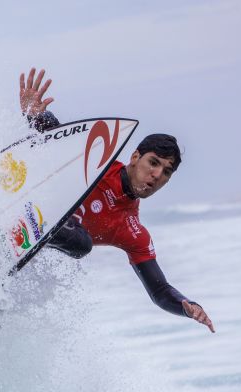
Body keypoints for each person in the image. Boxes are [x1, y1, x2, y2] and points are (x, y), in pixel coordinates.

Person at [18, 67, 215, 333]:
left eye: (166, 172)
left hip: (24, 259)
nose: (156, 175)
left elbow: (159, 290)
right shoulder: (97, 161)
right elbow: (60, 138)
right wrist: (36, 114)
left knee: (80, 245)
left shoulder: (131, 231)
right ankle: (27, 219)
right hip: (24, 201)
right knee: (82, 243)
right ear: (135, 157)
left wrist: (185, 305)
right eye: (153, 163)